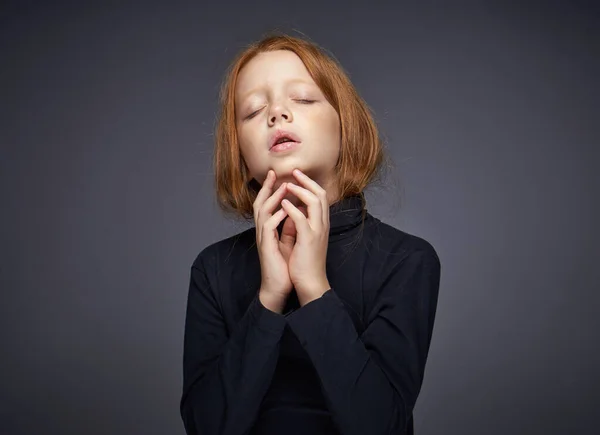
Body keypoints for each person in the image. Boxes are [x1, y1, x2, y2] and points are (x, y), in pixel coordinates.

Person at [180, 32, 442, 435]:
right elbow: (206, 427)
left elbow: (383, 426)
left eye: (302, 99)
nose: (277, 114)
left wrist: (314, 289)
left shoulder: (406, 260)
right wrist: (268, 299)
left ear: (345, 125)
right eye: (252, 111)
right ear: (240, 155)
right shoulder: (213, 269)